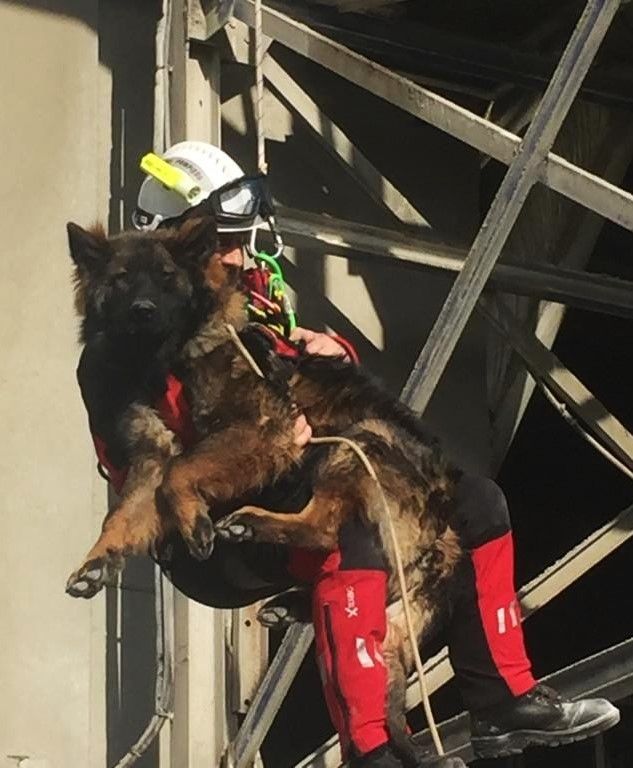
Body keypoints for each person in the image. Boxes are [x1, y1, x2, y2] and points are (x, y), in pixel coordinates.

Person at [110, 141, 618, 768]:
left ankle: (501, 698)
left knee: (476, 502)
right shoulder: (129, 336)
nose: (240, 256)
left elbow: (275, 368)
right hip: (205, 535)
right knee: (351, 535)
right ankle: (371, 750)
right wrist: (258, 431)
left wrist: (322, 354)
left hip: (284, 475)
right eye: (223, 244)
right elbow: (148, 452)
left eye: (239, 240)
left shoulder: (245, 296)